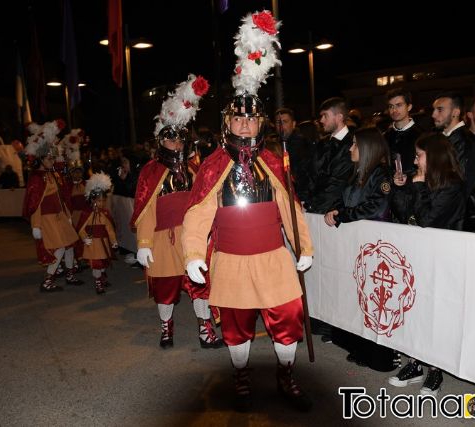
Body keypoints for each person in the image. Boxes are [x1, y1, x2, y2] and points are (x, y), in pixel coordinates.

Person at [181, 11, 314, 413]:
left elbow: (293, 209)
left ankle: (286, 377)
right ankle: (241, 377)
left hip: (274, 260)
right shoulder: (212, 164)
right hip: (232, 262)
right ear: (227, 123)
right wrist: (190, 255)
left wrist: (302, 245)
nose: (244, 125)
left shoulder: (273, 160)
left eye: (251, 118)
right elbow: (197, 214)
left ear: (260, 124)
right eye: (238, 118)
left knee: (288, 320)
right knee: (237, 330)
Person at [131, 74, 223, 350]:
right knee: (165, 289)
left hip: (189, 237)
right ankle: (166, 328)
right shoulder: (150, 171)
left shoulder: (194, 168)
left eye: (181, 139)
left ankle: (206, 331)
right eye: (171, 139)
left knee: (199, 284)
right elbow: (146, 209)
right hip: (162, 239)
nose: (177, 144)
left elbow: (203, 204)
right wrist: (144, 243)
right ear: (161, 140)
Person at [388, 132, 466, 396]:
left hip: (442, 260)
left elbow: (427, 220)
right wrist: (401, 188)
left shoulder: (452, 185)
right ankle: (416, 363)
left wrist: (418, 187)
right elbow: (403, 213)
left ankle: (436, 370)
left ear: (433, 157)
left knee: (437, 315)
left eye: (419, 155)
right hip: (416, 256)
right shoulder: (420, 180)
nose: (415, 160)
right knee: (414, 311)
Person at [323, 127, 399, 372]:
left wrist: (344, 215)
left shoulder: (381, 175)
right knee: (358, 298)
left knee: (376, 301)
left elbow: (376, 207)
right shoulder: (357, 174)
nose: (350, 148)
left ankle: (380, 356)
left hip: (377, 249)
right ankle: (358, 347)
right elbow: (344, 199)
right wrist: (336, 209)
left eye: (354, 144)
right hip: (356, 246)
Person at [22, 120, 83, 292]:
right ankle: (47, 281)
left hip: (60, 216)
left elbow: (60, 196)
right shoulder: (36, 178)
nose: (51, 160)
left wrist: (68, 215)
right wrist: (36, 225)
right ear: (40, 159)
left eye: (52, 157)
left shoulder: (52, 174)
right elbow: (34, 204)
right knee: (60, 248)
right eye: (48, 158)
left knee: (71, 243)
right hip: (47, 219)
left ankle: (70, 275)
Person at [306, 96, 354, 214]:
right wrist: (307, 202)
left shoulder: (353, 144)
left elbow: (338, 183)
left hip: (336, 212)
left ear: (339, 117)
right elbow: (311, 175)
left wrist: (313, 206)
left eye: (325, 116)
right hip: (314, 208)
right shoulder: (321, 143)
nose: (321, 120)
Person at [77, 173, 118, 294]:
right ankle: (98, 282)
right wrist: (84, 238)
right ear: (92, 199)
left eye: (103, 201)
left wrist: (113, 240)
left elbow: (110, 229)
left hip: (103, 243)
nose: (101, 203)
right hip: (93, 243)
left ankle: (102, 278)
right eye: (99, 201)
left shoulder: (104, 213)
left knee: (103, 263)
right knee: (96, 264)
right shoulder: (86, 213)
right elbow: (80, 229)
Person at [383, 88, 423, 175]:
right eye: (391, 106)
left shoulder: (422, 135)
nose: (394, 110)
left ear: (409, 107)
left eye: (399, 105)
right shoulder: (384, 137)